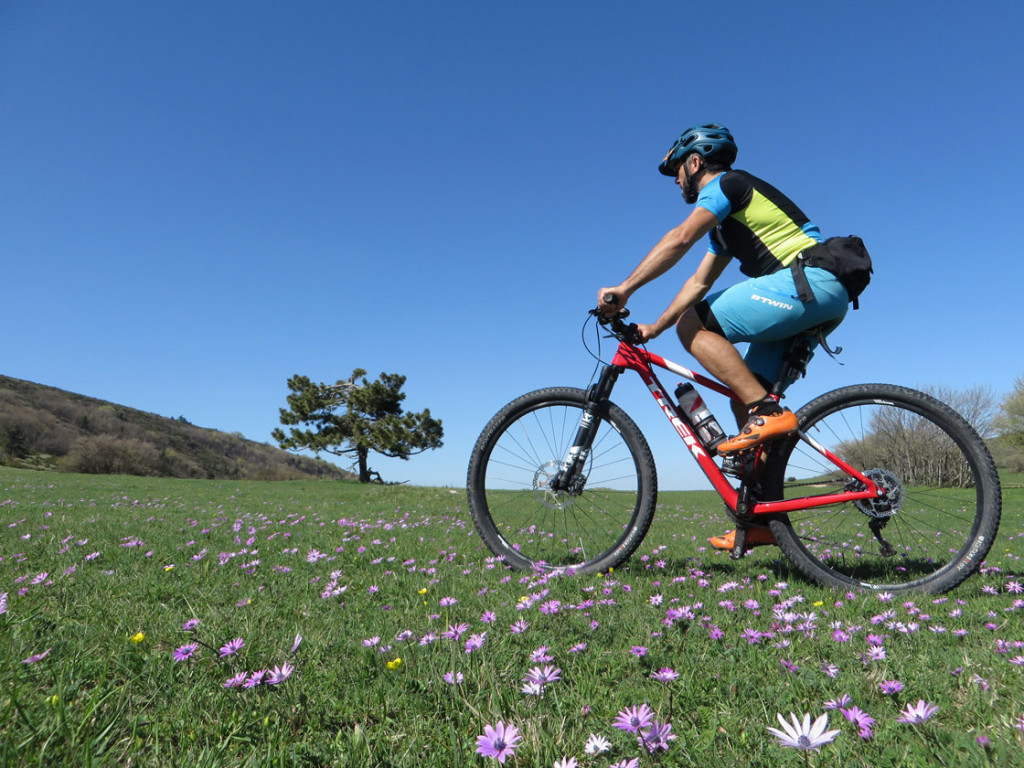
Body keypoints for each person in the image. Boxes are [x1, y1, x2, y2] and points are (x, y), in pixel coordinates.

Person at [598, 123, 852, 552]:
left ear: (695, 162)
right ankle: (761, 519)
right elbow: (697, 283)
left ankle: (767, 412)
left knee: (697, 329)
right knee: (744, 398)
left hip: (806, 280)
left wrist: (624, 289)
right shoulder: (727, 228)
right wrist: (653, 328)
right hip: (818, 297)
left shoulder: (727, 185)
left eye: (678, 171)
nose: (677, 181)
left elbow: (679, 239)